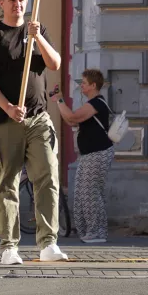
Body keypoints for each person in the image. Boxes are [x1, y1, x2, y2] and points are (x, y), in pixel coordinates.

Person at [0, 0, 66, 265]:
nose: (18, 4)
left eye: (22, 0)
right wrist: (7, 107)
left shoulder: (37, 30)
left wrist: (39, 39)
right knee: (7, 182)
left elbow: (55, 64)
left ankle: (48, 243)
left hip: (38, 118)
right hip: (4, 121)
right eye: (13, 0)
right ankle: (9, 246)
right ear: (2, 3)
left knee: (47, 176)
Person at [51, 69, 114, 244]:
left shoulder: (96, 103)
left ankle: (97, 232)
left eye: (84, 83)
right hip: (89, 155)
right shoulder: (90, 104)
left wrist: (60, 100)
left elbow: (71, 116)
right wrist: (59, 101)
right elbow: (71, 120)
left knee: (90, 193)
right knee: (80, 192)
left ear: (94, 86)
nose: (81, 86)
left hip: (98, 153)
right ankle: (87, 230)